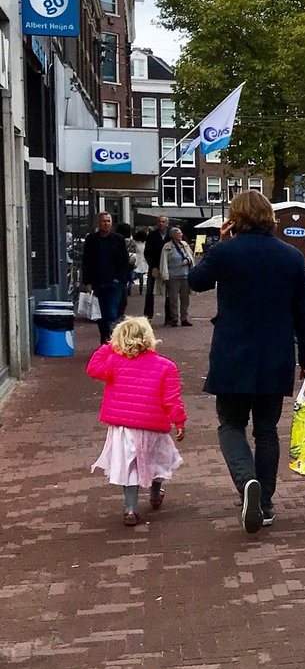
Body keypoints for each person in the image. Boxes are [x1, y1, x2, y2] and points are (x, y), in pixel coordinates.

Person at [188, 191, 305, 534]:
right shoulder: (291, 256)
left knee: (231, 424)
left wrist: (218, 244)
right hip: (275, 356)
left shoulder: (226, 253)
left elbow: (196, 281)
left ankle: (247, 482)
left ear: (236, 218)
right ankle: (266, 504)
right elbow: (303, 313)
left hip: (233, 354)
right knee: (266, 430)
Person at [87, 317, 187, 526]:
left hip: (123, 427)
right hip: (153, 425)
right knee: (156, 459)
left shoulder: (114, 362)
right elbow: (171, 399)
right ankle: (155, 494)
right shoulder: (166, 366)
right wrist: (179, 421)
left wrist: (109, 347)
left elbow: (93, 368)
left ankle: (131, 508)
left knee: (129, 466)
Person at [80, 211, 133, 344]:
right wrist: (87, 281)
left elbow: (124, 260)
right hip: (97, 282)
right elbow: (86, 261)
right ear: (99, 223)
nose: (106, 223)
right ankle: (104, 337)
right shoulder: (91, 239)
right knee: (100, 314)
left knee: (111, 312)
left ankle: (111, 341)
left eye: (108, 221)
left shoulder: (118, 239)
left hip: (114, 282)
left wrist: (121, 278)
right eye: (103, 221)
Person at [162, 227, 196, 327]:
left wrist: (188, 261)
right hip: (173, 276)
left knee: (185, 299)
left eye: (181, 233)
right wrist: (165, 275)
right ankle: (174, 318)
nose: (181, 235)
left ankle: (184, 318)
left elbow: (191, 256)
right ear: (173, 235)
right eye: (178, 233)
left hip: (185, 275)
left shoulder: (184, 245)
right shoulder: (167, 247)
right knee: (173, 299)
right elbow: (164, 261)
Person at [143, 215, 172, 322]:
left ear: (167, 224)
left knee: (169, 292)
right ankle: (147, 316)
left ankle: (169, 317)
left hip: (168, 267)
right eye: (159, 221)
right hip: (154, 267)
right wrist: (153, 266)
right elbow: (147, 252)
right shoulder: (152, 235)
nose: (161, 223)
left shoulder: (171, 235)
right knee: (150, 291)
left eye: (163, 222)